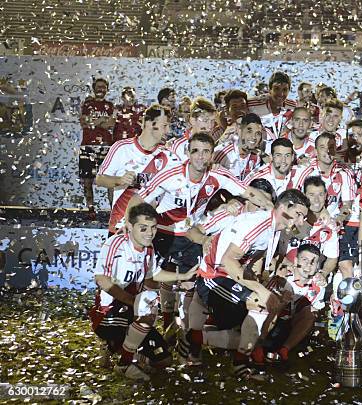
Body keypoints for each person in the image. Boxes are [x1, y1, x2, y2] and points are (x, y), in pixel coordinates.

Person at [126, 133, 272, 332]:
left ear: (212, 154)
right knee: (152, 282)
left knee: (192, 281)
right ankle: (151, 328)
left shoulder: (218, 174)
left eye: (206, 152)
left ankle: (185, 332)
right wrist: (128, 227)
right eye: (196, 151)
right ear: (188, 152)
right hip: (163, 234)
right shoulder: (171, 174)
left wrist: (273, 210)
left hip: (192, 235)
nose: (201, 157)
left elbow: (249, 192)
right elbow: (138, 199)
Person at [190, 189, 310, 379]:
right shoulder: (260, 224)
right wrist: (260, 290)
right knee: (260, 304)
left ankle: (196, 340)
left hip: (228, 276)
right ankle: (239, 362)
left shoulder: (274, 226)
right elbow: (229, 261)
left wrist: (266, 285)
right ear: (285, 208)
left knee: (266, 309)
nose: (301, 222)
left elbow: (253, 263)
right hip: (213, 276)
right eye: (299, 215)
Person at [89, 203, 194, 381]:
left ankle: (127, 355)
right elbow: (102, 279)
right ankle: (123, 360)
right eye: (143, 228)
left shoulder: (149, 248)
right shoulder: (116, 243)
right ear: (130, 226)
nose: (149, 233)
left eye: (153, 228)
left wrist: (183, 275)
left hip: (133, 312)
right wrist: (133, 301)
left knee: (164, 360)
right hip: (109, 313)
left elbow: (154, 273)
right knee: (148, 299)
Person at [96, 104, 178, 235]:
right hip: (121, 225)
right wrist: (120, 180)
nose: (168, 131)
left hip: (151, 230)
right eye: (164, 126)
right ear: (150, 123)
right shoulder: (122, 148)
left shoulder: (168, 155)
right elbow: (100, 179)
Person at [295, 132, 357, 220]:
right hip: (306, 222)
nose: (327, 151)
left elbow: (347, 206)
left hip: (332, 223)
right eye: (322, 147)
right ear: (316, 151)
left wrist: (337, 221)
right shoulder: (304, 170)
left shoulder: (345, 172)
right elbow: (294, 199)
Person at [79, 77, 115, 220]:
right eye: (98, 86)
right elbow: (84, 123)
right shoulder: (87, 104)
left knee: (110, 181)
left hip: (106, 147)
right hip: (88, 146)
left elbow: (110, 124)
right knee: (87, 180)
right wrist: (101, 121)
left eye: (103, 87)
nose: (101, 89)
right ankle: (90, 208)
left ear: (107, 90)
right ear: (94, 88)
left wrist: (94, 122)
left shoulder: (111, 105)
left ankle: (114, 211)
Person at [214, 113, 265, 181]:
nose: (254, 137)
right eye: (249, 131)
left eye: (258, 133)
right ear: (240, 131)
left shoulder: (256, 157)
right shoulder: (222, 152)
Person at [248, 71, 297, 140]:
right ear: (269, 89)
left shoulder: (292, 106)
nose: (281, 93)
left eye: (285, 89)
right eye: (277, 89)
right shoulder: (253, 104)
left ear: (289, 90)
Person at [170, 97, 218, 162]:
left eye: (212, 121)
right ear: (192, 120)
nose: (210, 126)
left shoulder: (216, 144)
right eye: (205, 120)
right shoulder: (177, 147)